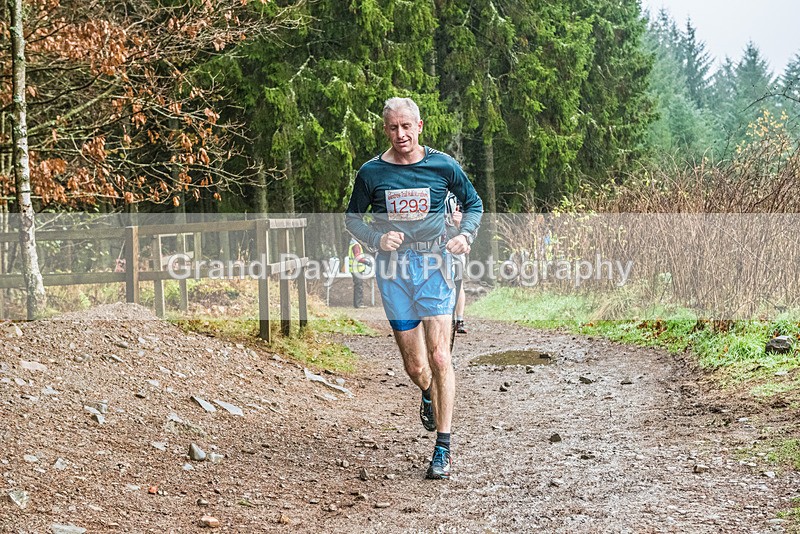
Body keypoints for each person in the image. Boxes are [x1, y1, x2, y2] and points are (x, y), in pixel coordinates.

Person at [345, 97, 483, 480]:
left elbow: (474, 204)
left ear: (419, 126)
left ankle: (443, 447)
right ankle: (427, 391)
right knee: (417, 366)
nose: (401, 134)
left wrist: (466, 235)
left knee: (441, 358)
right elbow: (352, 219)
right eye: (393, 128)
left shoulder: (442, 165)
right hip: (393, 272)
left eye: (407, 126)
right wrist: (375, 238)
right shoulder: (371, 173)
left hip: (434, 265)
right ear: (385, 129)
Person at [445, 192, 472, 336]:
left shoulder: (459, 195)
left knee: (458, 283)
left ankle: (459, 320)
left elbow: (471, 221)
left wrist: (466, 237)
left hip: (456, 243)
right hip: (435, 245)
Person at [348, 237, 369, 308]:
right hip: (357, 269)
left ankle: (357, 304)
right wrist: (366, 262)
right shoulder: (356, 245)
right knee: (358, 287)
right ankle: (359, 304)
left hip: (354, 269)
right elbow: (358, 257)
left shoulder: (352, 244)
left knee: (357, 286)